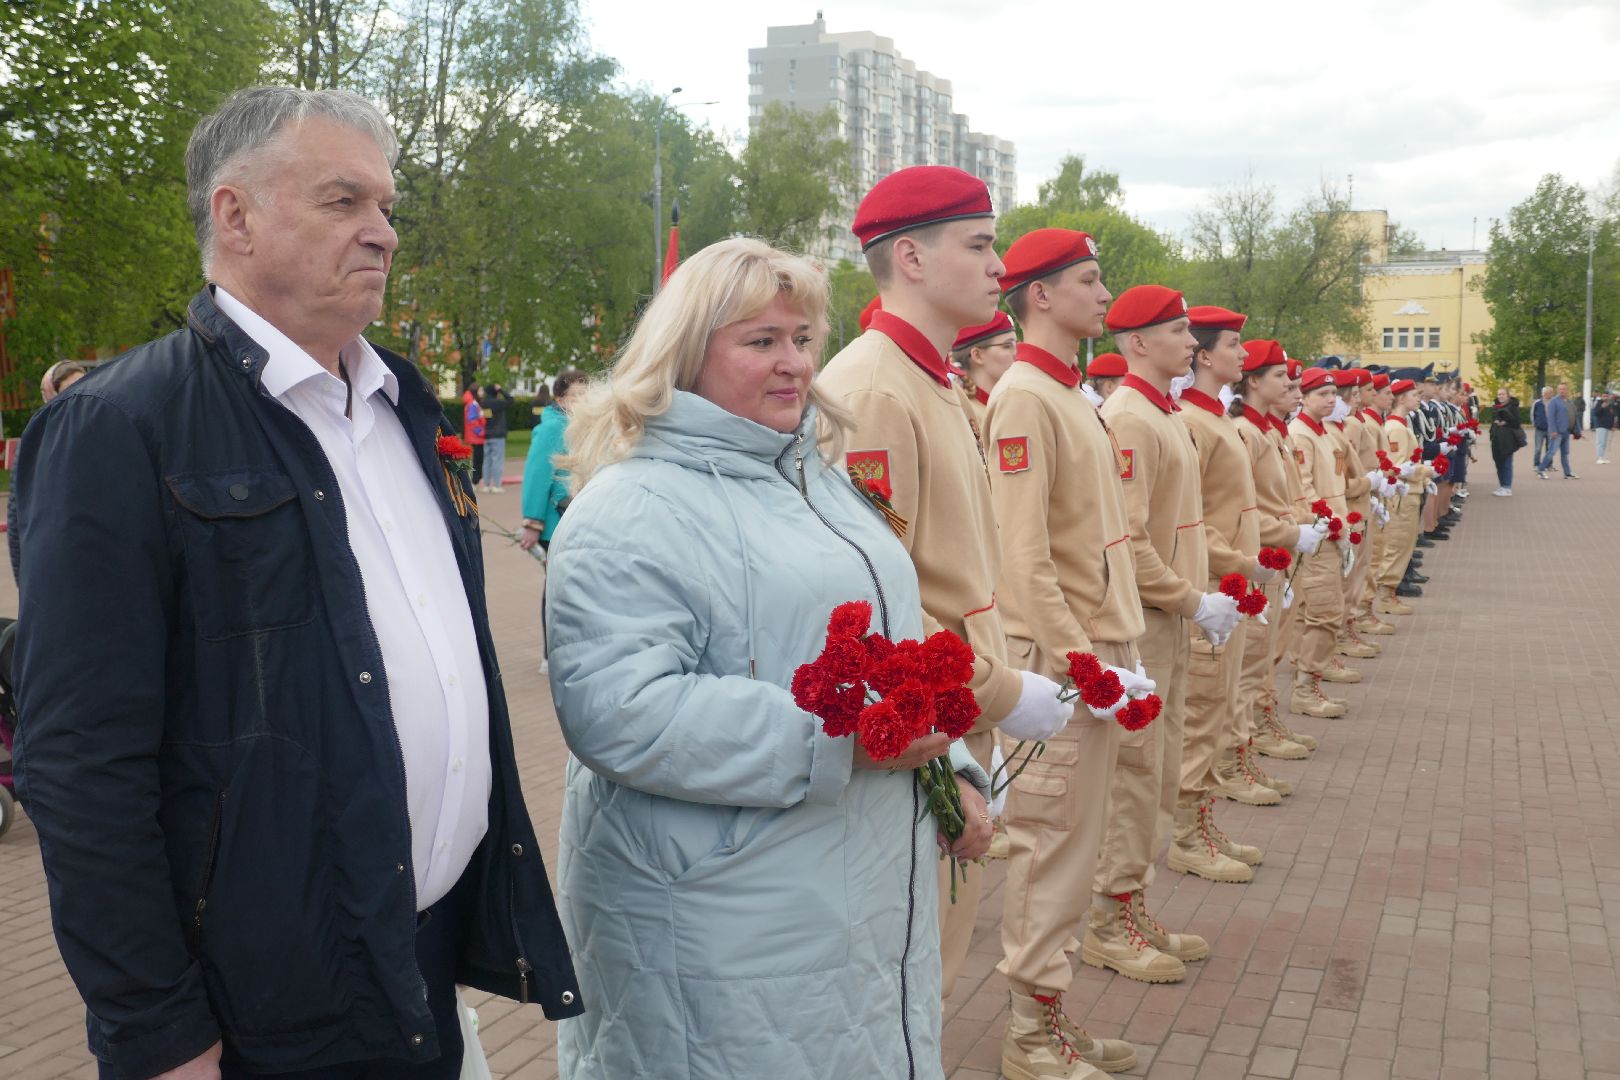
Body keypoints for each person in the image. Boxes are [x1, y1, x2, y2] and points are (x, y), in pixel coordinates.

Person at [10, 86, 580, 1080]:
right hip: (257, 1007)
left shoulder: (402, 406)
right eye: (343, 201)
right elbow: (79, 762)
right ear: (235, 215)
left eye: (387, 207)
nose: (383, 233)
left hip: (419, 961)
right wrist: (157, 1031)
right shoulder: (119, 425)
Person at [543, 236, 992, 1080]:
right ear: (686, 354)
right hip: (722, 919)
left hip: (852, 894)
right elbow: (621, 711)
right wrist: (842, 737)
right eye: (761, 340)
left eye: (803, 338)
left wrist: (950, 766)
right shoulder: (633, 506)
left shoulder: (821, 483)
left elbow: (892, 651)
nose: (795, 363)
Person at [818, 166, 1074, 1003]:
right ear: (911, 259)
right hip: (921, 731)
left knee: (931, 967)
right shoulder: (873, 389)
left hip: (957, 713)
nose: (1000, 266)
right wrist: (1001, 694)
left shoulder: (925, 380)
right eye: (979, 244)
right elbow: (875, 602)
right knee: (906, 981)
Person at [987, 227, 1142, 1079]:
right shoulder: (1024, 397)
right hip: (1060, 658)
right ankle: (1029, 1036)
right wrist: (1084, 660)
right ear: (1039, 296)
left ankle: (1051, 1017)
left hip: (1092, 646)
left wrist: (1112, 651)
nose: (1104, 293)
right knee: (1049, 847)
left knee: (1077, 844)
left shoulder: (1067, 393)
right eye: (1089, 279)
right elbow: (1025, 559)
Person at [1089, 285, 1240, 985]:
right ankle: (1106, 921)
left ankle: (1132, 903)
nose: (1191, 342)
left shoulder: (1162, 413)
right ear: (1138, 343)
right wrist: (1191, 598)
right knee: (1135, 775)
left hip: (1170, 619)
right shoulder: (1130, 417)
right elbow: (1128, 542)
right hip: (1146, 622)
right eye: (1178, 331)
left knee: (1158, 768)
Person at [1171, 305, 1269, 877]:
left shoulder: (1217, 419)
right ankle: (1185, 836)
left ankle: (1201, 820)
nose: (1243, 353)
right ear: (1204, 356)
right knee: (1202, 714)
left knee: (1218, 709)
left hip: (1229, 588)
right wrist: (1240, 562)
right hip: (1209, 587)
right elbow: (1192, 520)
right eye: (1233, 344)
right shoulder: (1192, 422)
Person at [1288, 368, 1361, 715]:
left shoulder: (1325, 433)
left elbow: (1338, 484)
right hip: (1318, 534)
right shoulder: (1300, 435)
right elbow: (1305, 492)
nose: (1332, 400)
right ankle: (1305, 687)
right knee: (1324, 611)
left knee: (1322, 610)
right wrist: (1332, 525)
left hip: (1333, 531)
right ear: (1304, 397)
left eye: (1333, 393)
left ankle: (1311, 675)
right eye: (1322, 394)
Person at [519, 370, 588, 554]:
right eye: (576, 396)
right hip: (556, 523)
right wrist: (533, 523)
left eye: (587, 396)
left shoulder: (583, 427)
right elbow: (537, 475)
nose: (584, 401)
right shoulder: (552, 428)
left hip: (577, 520)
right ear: (560, 400)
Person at [949, 310, 1017, 430]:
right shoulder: (961, 412)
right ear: (977, 355)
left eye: (1015, 345)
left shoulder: (1012, 403)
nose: (1015, 353)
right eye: (1007, 346)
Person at [1490, 387, 1524, 494]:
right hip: (1496, 439)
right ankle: (1502, 486)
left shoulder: (1513, 407)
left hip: (1508, 440)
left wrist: (1505, 423)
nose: (1500, 396)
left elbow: (1517, 423)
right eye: (1499, 394)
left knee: (1506, 463)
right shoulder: (1496, 407)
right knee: (1498, 463)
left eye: (1503, 394)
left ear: (1508, 396)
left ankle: (1507, 487)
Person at [1538, 382, 1575, 479]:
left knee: (1565, 453)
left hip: (1566, 431)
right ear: (1558, 390)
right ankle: (1541, 470)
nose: (1562, 391)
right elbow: (1550, 417)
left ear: (1567, 390)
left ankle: (1567, 473)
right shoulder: (1554, 402)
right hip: (1557, 432)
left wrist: (1577, 430)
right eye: (1560, 389)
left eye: (1564, 389)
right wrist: (1553, 430)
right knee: (1551, 452)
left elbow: (1574, 416)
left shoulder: (1570, 402)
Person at [479, 383, 510, 492]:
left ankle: (486, 485)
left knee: (487, 460)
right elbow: (511, 400)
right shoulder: (499, 403)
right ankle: (496, 485)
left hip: (487, 434)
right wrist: (501, 390)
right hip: (498, 434)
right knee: (497, 460)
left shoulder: (483, 403)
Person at [463, 385, 486, 484]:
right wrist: (480, 432)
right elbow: (472, 420)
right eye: (481, 390)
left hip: (476, 436)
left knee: (478, 458)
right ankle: (476, 480)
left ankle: (477, 479)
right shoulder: (473, 404)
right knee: (477, 459)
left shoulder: (474, 403)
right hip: (476, 437)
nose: (483, 392)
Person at [1531, 386, 1552, 471]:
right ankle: (1536, 464)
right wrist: (1534, 423)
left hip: (1551, 429)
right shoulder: (1537, 403)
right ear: (1543, 393)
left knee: (1549, 448)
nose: (1549, 394)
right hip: (1540, 429)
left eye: (1550, 392)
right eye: (1547, 392)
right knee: (1538, 448)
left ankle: (1548, 465)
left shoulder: (1553, 403)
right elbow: (1532, 413)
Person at [1592, 392, 1614, 464]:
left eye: (1607, 396)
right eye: (1604, 396)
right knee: (1600, 442)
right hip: (1600, 425)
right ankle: (1599, 458)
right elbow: (1595, 413)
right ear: (1601, 397)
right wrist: (1602, 407)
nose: (1605, 397)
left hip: (1607, 426)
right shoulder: (1599, 403)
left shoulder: (1610, 404)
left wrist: (1612, 425)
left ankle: (1602, 457)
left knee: (1604, 443)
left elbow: (1611, 415)